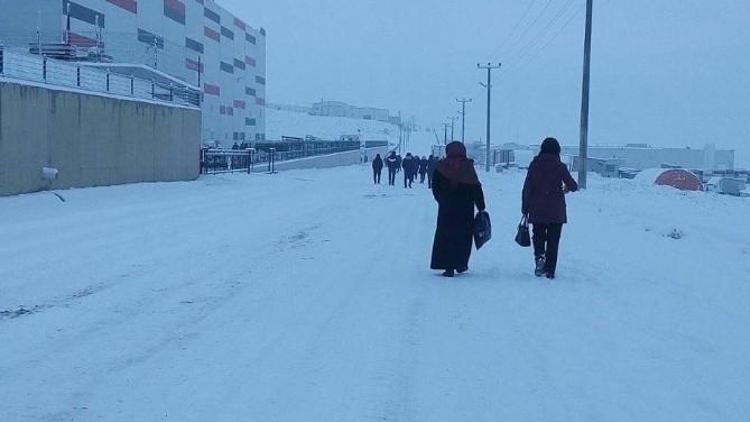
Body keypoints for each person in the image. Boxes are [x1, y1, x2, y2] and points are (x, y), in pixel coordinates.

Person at [522, 137, 578, 280]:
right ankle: (550, 270)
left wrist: (525, 207)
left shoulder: (534, 164)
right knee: (554, 240)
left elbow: (528, 187)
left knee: (538, 235)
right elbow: (573, 185)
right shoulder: (560, 166)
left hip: (537, 208)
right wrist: (565, 188)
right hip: (556, 210)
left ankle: (540, 257)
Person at [430, 142, 486, 277]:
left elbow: (435, 187)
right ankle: (460, 264)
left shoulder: (441, 167)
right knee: (463, 237)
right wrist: (481, 206)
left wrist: (442, 200)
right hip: (465, 209)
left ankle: (448, 266)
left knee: (446, 236)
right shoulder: (468, 167)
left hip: (447, 209)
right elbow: (476, 187)